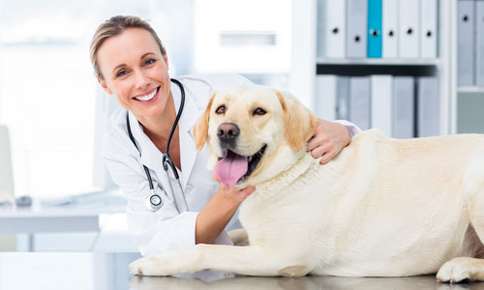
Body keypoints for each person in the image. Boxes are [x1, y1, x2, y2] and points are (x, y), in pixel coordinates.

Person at [90, 15, 361, 257]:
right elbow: (157, 241)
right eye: (122, 72)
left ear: (165, 60)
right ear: (105, 84)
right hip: (198, 268)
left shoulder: (224, 94)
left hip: (268, 250)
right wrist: (229, 195)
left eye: (149, 62)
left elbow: (295, 127)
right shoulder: (119, 144)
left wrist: (344, 130)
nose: (142, 81)